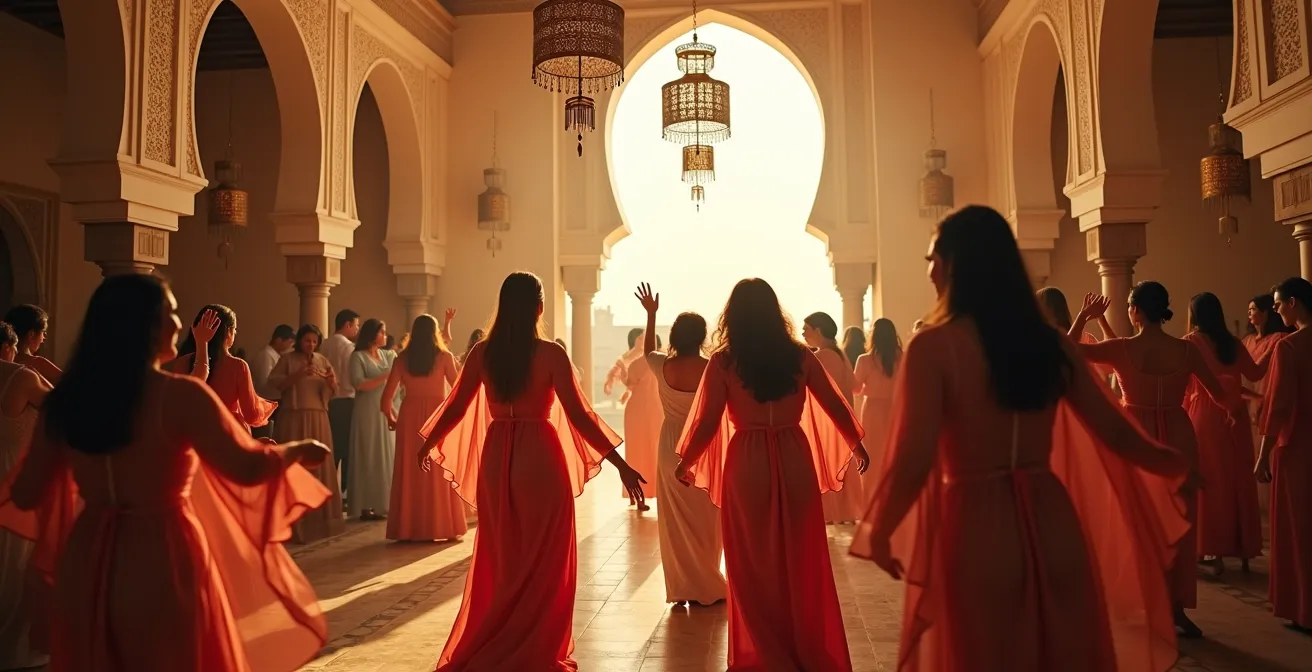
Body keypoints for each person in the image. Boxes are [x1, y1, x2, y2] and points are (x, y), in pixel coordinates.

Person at [850, 205, 1189, 672]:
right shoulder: (1049, 344)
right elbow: (1113, 430)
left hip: (976, 527)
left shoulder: (934, 347)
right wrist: (1175, 463)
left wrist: (880, 530)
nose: (929, 270)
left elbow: (915, 458)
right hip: (1053, 521)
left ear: (957, 263)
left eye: (933, 257)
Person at [0, 274, 331, 671]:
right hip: (164, 552)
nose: (179, 325)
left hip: (87, 560)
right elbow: (246, 468)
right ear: (144, 325)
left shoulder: (69, 401)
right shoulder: (181, 396)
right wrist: (295, 450)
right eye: (171, 313)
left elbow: (24, 494)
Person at [417, 271, 646, 669]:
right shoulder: (550, 355)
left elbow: (455, 406)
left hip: (497, 458)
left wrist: (427, 440)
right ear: (539, 307)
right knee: (545, 560)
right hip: (540, 458)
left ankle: (498, 638)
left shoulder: (482, 354)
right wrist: (621, 464)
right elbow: (580, 417)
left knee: (503, 556)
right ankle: (536, 648)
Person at [675, 278, 871, 671]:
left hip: (747, 461)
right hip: (792, 455)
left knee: (751, 563)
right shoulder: (798, 356)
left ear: (733, 316)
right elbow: (832, 402)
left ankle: (764, 653)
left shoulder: (724, 361)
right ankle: (804, 648)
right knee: (799, 559)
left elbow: (708, 421)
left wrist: (687, 461)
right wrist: (856, 443)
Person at [1072, 282, 1227, 638]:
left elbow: (1068, 350)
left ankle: (1141, 603)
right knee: (1178, 526)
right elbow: (1218, 394)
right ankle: (1175, 609)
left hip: (1135, 439)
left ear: (1135, 311)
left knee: (1134, 523)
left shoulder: (1121, 349)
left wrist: (1083, 315)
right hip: (1177, 436)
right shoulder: (1186, 350)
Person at [635, 283, 726, 606]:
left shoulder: (663, 365)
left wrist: (650, 316)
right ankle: (707, 583)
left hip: (670, 441)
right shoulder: (711, 368)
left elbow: (646, 351)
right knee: (706, 517)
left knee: (675, 520)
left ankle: (683, 588)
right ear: (702, 337)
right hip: (703, 442)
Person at [1183, 293, 1269, 575]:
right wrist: (1278, 346)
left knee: (1209, 482)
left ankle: (1213, 552)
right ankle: (1243, 550)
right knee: (1237, 480)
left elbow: (1184, 386)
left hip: (1205, 414)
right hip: (1236, 415)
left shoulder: (1191, 342)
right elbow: (1256, 374)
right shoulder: (1233, 343)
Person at [1257, 276, 1312, 634]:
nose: (1276, 309)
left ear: (1293, 302)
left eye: (1278, 304)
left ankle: (1303, 608)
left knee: (1299, 527)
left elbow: (1278, 406)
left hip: (1298, 446)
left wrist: (1263, 455)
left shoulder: (1289, 347)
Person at [381, 314, 465, 542]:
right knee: (438, 469)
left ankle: (409, 529)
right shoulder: (445, 357)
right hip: (437, 417)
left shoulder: (402, 359)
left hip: (409, 418)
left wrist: (392, 419)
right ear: (435, 333)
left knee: (410, 472)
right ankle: (442, 526)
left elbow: (386, 400)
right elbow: (459, 392)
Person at [0, 321, 52, 670]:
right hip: (13, 484)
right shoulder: (21, 377)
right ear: (10, 347)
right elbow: (66, 406)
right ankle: (12, 651)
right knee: (15, 566)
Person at [270, 324, 345, 543]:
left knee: (320, 467)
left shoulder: (322, 360)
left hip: (318, 416)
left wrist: (331, 383)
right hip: (293, 416)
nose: (310, 345)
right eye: (307, 341)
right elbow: (275, 384)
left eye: (314, 341)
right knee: (295, 467)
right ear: (298, 341)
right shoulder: (287, 359)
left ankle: (321, 522)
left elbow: (334, 389)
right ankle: (293, 524)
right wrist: (298, 374)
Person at [168, 305, 278, 434]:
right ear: (229, 332)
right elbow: (251, 415)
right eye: (235, 330)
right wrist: (265, 407)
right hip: (229, 433)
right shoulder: (238, 366)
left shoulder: (182, 362)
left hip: (191, 433)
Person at [803, 311, 866, 524]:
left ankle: (831, 511)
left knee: (828, 462)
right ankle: (843, 510)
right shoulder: (839, 355)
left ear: (817, 331)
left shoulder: (822, 357)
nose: (803, 332)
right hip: (840, 416)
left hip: (828, 419)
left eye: (807, 328)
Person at [348, 318, 397, 521]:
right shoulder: (357, 357)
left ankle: (386, 502)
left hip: (388, 408)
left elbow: (400, 378)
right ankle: (366, 504)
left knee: (387, 454)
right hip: (367, 410)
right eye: (382, 332)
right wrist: (387, 376)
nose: (385, 335)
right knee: (368, 453)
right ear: (372, 335)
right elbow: (359, 384)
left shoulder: (390, 355)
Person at [852, 318, 901, 493]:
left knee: (872, 452)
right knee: (894, 451)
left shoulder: (865, 360)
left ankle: (871, 495)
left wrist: (869, 389)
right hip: (896, 408)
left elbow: (855, 387)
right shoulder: (902, 357)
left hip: (872, 409)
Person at [320, 309, 360, 496]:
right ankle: (344, 490)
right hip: (347, 399)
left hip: (329, 401)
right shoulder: (349, 348)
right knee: (348, 448)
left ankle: (328, 487)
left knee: (333, 445)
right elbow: (352, 377)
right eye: (356, 325)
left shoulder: (324, 345)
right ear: (347, 325)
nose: (357, 330)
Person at [250, 324, 296, 439]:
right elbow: (265, 382)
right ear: (279, 340)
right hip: (267, 401)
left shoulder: (275, 355)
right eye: (289, 342)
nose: (291, 346)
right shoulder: (266, 356)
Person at [2, 305, 60, 384]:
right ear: (31, 335)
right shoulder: (39, 363)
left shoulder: (3, 363)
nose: (43, 338)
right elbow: (72, 384)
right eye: (43, 332)